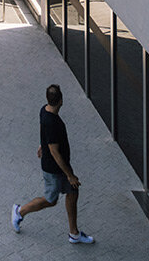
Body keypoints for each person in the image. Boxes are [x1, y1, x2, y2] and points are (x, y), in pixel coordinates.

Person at [12, 84, 92, 245]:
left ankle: (74, 234)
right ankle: (19, 211)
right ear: (61, 101)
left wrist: (43, 143)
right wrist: (70, 175)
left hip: (57, 166)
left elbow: (43, 129)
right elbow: (55, 152)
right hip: (53, 168)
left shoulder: (44, 110)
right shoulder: (54, 123)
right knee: (50, 200)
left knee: (73, 191)